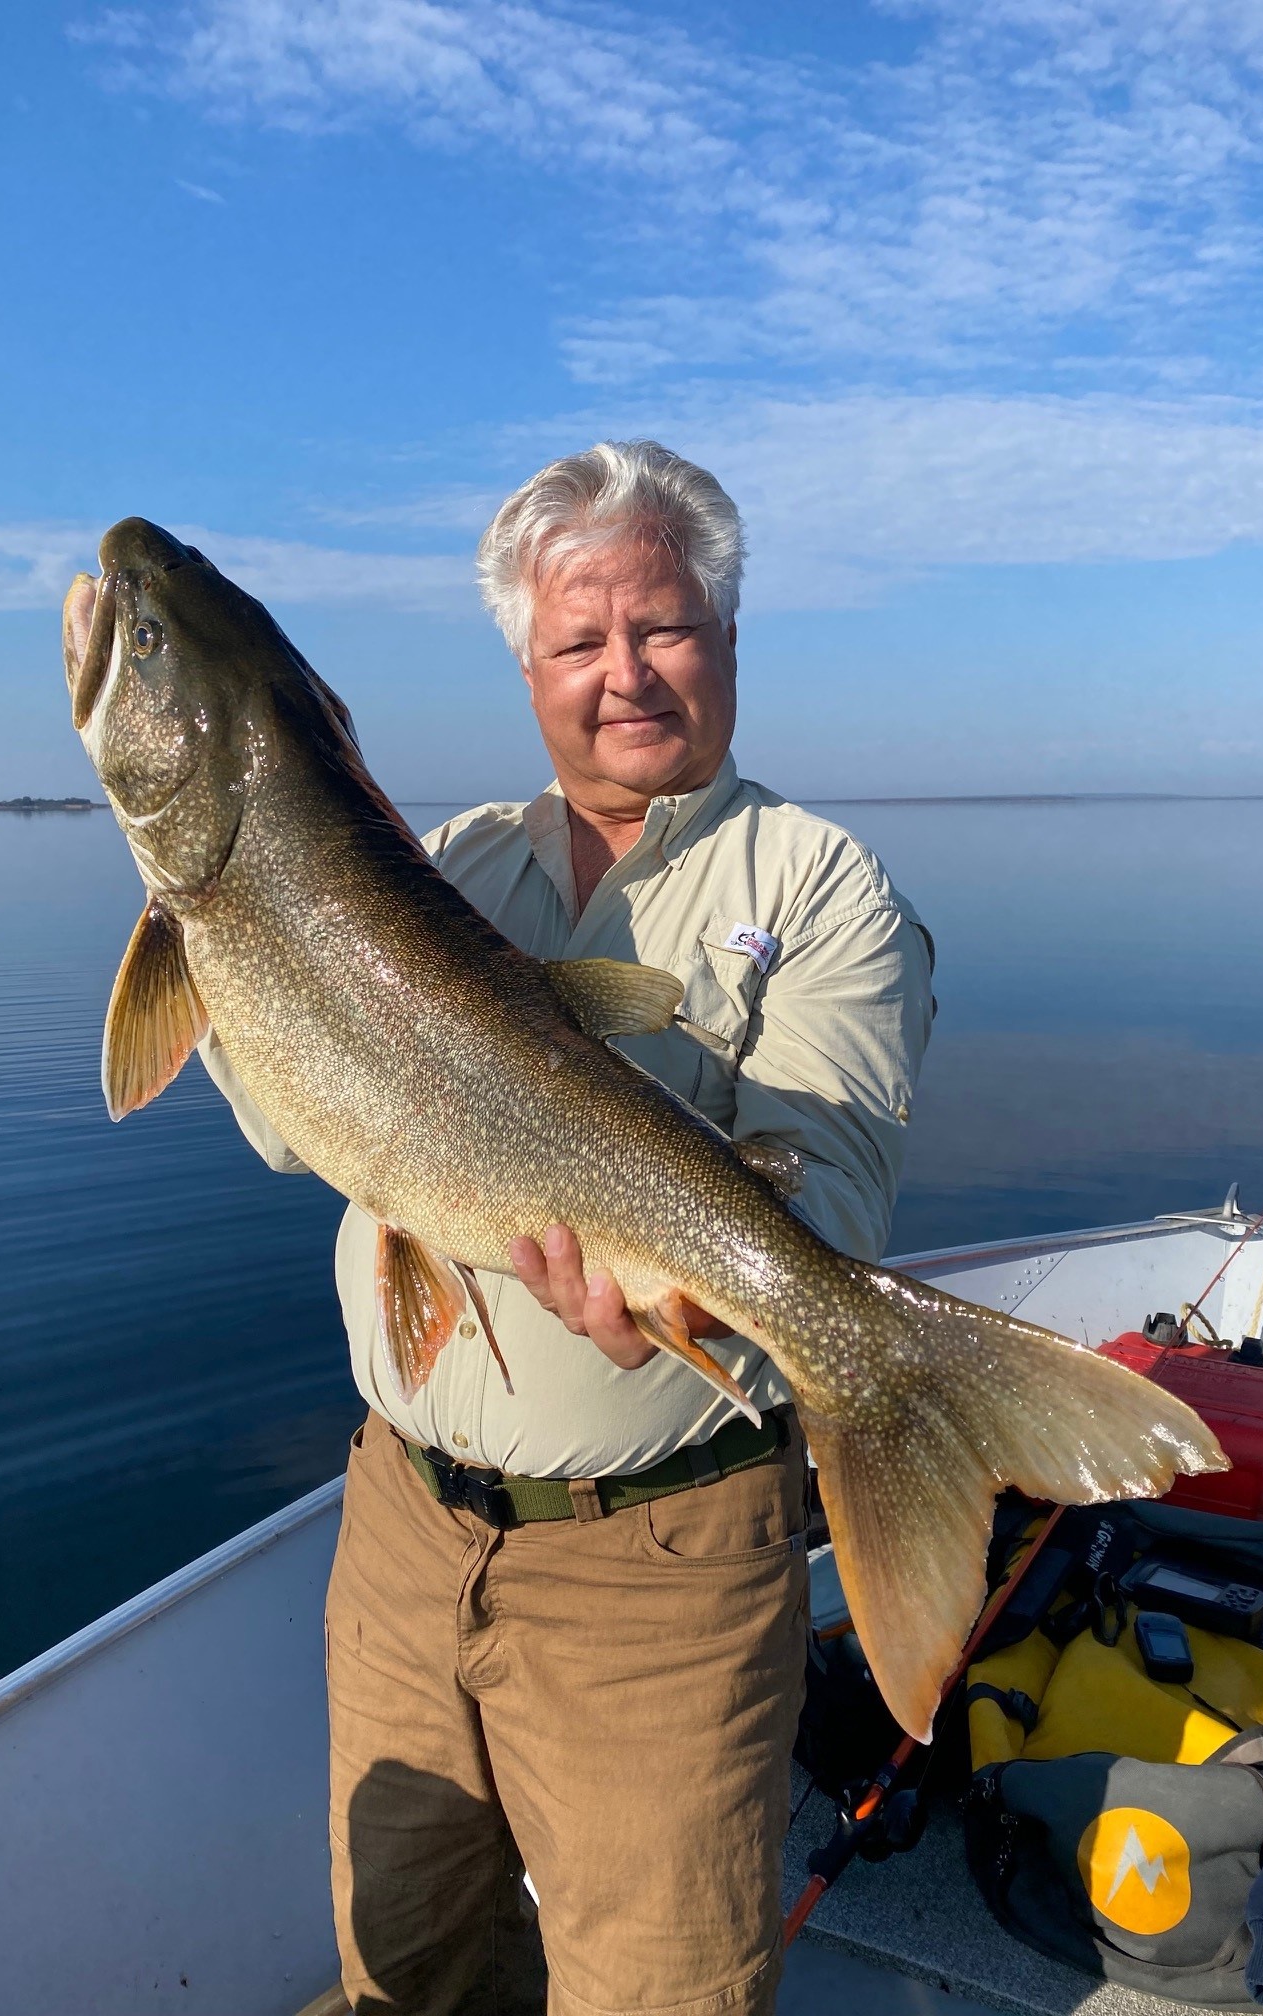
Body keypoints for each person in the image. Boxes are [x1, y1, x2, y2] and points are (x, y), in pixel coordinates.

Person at [200, 441, 935, 2016]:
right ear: (528, 667)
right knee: (406, 1956)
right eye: (579, 643)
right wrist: (220, 926)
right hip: (405, 1527)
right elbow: (290, 1128)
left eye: (662, 628)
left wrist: (722, 1289)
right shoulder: (443, 865)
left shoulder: (823, 890)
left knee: (658, 1989)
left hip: (657, 1565)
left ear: (726, 638)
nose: (626, 676)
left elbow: (838, 1184)